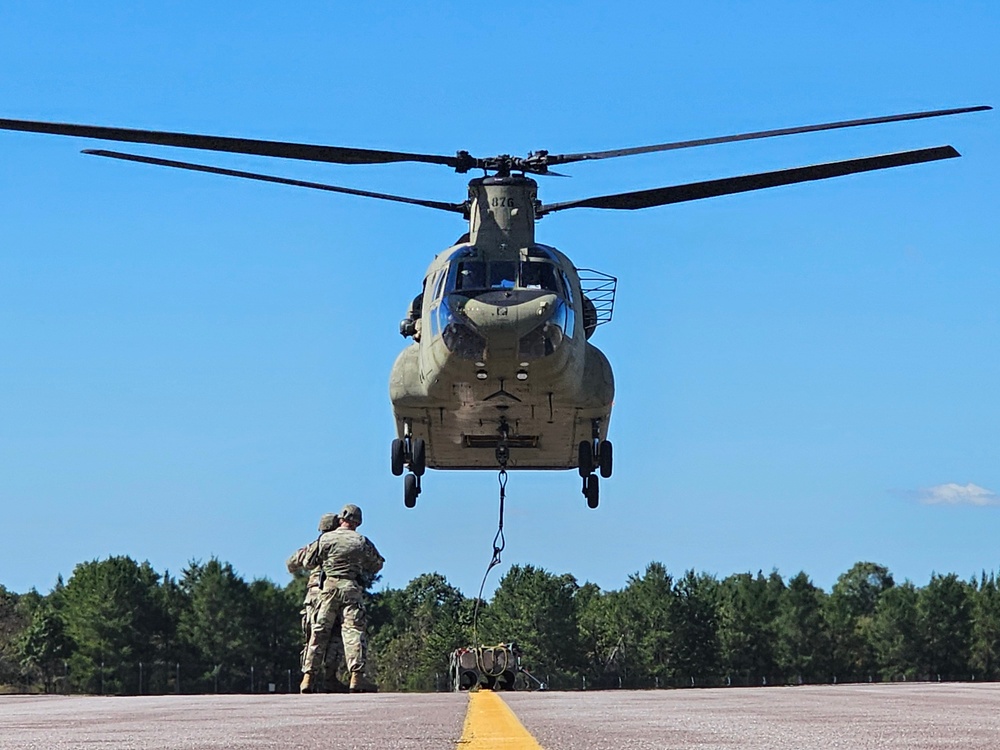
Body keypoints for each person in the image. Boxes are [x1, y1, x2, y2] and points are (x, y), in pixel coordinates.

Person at [298, 503, 384, 694]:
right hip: (351, 589)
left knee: (319, 633)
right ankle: (356, 678)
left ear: (341, 518)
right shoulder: (361, 541)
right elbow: (377, 564)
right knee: (353, 633)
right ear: (358, 522)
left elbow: (307, 562)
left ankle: (308, 678)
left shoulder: (326, 539)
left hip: (328, 590)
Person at [286, 513, 347, 693]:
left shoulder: (314, 546)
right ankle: (329, 678)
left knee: (314, 638)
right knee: (335, 637)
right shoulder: (339, 545)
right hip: (332, 593)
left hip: (314, 597)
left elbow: (291, 563)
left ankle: (308, 678)